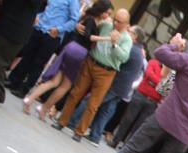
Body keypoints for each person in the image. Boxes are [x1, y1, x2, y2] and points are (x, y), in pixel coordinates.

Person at [21, 0, 113, 121]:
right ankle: (43, 108)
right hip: (78, 52)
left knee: (55, 81)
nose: (108, 16)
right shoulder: (91, 20)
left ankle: (31, 99)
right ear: (101, 11)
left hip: (71, 48)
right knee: (64, 86)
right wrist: (107, 38)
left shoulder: (89, 18)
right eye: (107, 13)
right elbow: (88, 36)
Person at [55, 7, 132, 140]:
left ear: (126, 24)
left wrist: (114, 44)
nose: (115, 23)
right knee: (75, 93)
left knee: (93, 104)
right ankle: (62, 121)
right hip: (91, 62)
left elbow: (124, 58)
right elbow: (91, 27)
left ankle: (79, 132)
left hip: (107, 71)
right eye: (115, 20)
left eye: (119, 22)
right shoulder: (106, 25)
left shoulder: (126, 39)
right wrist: (79, 25)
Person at [65, 24, 145, 144]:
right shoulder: (139, 52)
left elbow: (116, 61)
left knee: (90, 101)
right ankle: (95, 136)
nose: (126, 32)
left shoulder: (131, 49)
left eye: (129, 31)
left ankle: (72, 122)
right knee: (106, 110)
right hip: (123, 88)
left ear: (135, 36)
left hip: (114, 84)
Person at [6, 0, 79, 96]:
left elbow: (74, 20)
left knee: (38, 63)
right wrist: (38, 16)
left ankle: (24, 89)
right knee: (27, 56)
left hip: (52, 35)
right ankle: (13, 81)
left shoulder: (73, 1)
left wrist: (59, 29)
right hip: (39, 28)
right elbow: (45, 8)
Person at [109, 55, 163, 146]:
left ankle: (128, 145)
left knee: (139, 125)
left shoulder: (171, 74)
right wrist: (160, 83)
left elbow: (165, 89)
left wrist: (154, 82)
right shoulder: (153, 62)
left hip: (153, 101)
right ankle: (116, 140)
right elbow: (149, 74)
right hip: (141, 95)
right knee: (127, 119)